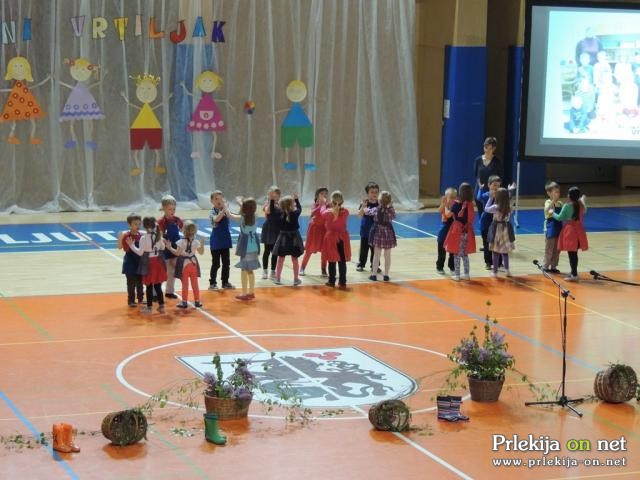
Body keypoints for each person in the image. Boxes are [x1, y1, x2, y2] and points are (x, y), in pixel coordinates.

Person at [126, 217, 167, 314]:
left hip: (149, 263)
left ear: (144, 227)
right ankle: (161, 307)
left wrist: (131, 245)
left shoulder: (143, 238)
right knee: (158, 286)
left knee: (149, 286)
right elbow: (163, 247)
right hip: (158, 263)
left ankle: (149, 308)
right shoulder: (158, 236)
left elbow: (140, 253)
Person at [550, 187, 588, 282]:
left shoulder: (567, 206)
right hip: (579, 231)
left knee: (572, 254)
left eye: (568, 193)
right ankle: (573, 272)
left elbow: (560, 217)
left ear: (570, 196)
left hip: (570, 232)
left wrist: (552, 213)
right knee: (574, 254)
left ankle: (574, 274)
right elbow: (584, 209)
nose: (567, 195)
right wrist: (583, 200)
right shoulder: (580, 205)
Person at [165, 221, 205, 309]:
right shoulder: (196, 242)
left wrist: (169, 247)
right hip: (193, 264)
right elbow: (201, 252)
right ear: (195, 231)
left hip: (184, 265)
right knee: (195, 283)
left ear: (184, 231)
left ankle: (184, 302)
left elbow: (177, 253)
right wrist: (202, 244)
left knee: (185, 284)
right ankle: (197, 301)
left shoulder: (181, 242)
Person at [444, 183, 476, 281]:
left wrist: (446, 206)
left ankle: (457, 275)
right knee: (465, 254)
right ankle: (466, 274)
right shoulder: (470, 205)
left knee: (456, 254)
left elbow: (448, 215)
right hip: (467, 231)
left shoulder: (456, 204)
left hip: (457, 231)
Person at [272, 194, 304, 286]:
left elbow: (273, 211)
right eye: (293, 203)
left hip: (283, 239)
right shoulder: (295, 213)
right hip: (294, 239)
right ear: (290, 205)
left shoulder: (279, 214)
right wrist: (297, 200)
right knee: (295, 259)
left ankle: (277, 278)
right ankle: (296, 279)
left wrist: (272, 201)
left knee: (281, 258)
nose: (294, 204)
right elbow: (299, 209)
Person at [321, 191, 351, 287]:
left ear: (332, 201)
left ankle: (331, 281)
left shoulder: (327, 213)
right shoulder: (345, 212)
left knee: (332, 260)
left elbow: (322, 212)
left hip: (331, 239)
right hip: (342, 238)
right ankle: (342, 281)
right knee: (342, 260)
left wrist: (324, 204)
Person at [234, 198, 261, 300]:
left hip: (245, 248)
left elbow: (230, 215)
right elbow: (248, 210)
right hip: (254, 246)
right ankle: (251, 292)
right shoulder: (255, 216)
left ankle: (244, 293)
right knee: (250, 270)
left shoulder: (242, 218)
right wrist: (241, 203)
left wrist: (225, 207)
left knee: (244, 270)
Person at [485, 188, 516, 277]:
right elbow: (507, 198)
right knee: (505, 252)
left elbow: (486, 209)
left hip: (497, 230)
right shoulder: (509, 207)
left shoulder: (495, 207)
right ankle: (507, 270)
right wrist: (509, 192)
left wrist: (490, 198)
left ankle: (495, 272)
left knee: (495, 252)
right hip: (506, 230)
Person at [158, 195, 183, 300]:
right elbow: (158, 236)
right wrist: (164, 242)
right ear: (164, 208)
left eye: (174, 209)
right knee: (162, 273)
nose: (172, 211)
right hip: (165, 250)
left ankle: (169, 291)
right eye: (170, 209)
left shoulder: (178, 220)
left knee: (172, 272)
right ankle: (155, 292)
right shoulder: (160, 222)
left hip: (175, 249)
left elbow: (183, 231)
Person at [208, 191, 235, 290]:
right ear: (212, 201)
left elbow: (232, 216)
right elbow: (216, 219)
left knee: (226, 263)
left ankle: (225, 282)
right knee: (216, 264)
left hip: (225, 240)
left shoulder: (226, 210)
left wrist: (243, 214)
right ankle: (212, 283)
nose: (219, 201)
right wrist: (223, 210)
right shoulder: (212, 212)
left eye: (220, 198)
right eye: (216, 199)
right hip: (216, 242)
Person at [368, 191, 397, 282]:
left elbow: (368, 212)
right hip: (388, 233)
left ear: (379, 200)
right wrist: (391, 206)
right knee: (387, 255)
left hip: (378, 233)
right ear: (389, 201)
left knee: (376, 255)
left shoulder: (376, 209)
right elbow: (394, 216)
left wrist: (364, 206)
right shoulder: (391, 211)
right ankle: (386, 275)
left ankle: (374, 275)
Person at [300, 187, 328, 276]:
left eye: (325, 194)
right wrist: (321, 205)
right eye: (322, 194)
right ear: (317, 195)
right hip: (314, 229)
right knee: (309, 250)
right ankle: (302, 268)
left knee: (324, 251)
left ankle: (323, 269)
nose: (324, 195)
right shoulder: (315, 205)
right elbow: (314, 212)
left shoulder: (328, 205)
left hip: (324, 229)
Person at [118, 213, 144, 307]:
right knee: (131, 284)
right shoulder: (126, 236)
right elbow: (121, 247)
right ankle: (131, 301)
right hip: (129, 263)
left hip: (139, 263)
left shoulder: (142, 236)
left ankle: (141, 299)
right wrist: (120, 238)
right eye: (135, 224)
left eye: (139, 224)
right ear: (129, 225)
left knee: (140, 283)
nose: (138, 226)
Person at [477, 175, 502, 270]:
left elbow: (508, 197)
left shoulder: (501, 195)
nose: (496, 187)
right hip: (486, 222)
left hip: (497, 222)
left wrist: (511, 190)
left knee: (497, 243)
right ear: (489, 185)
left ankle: (499, 262)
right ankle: (488, 262)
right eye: (494, 185)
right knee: (486, 243)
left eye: (498, 185)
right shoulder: (486, 195)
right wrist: (480, 189)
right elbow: (479, 197)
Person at [473, 137, 502, 215]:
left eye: (489, 148)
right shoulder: (478, 160)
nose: (486, 150)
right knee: (481, 215)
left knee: (491, 217)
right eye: (485, 147)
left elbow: (500, 177)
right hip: (480, 193)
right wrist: (480, 187)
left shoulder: (497, 161)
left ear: (494, 149)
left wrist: (495, 191)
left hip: (492, 193)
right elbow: (476, 175)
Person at [356, 182, 379, 272]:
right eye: (372, 192)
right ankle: (361, 264)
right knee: (364, 249)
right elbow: (359, 215)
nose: (374, 194)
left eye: (376, 192)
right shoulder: (365, 203)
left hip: (376, 232)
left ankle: (375, 265)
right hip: (365, 231)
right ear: (367, 193)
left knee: (375, 250)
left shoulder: (380, 204)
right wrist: (363, 207)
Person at [261, 185, 281, 280]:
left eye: (276, 196)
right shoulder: (267, 203)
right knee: (267, 250)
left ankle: (273, 271)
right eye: (272, 195)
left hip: (277, 229)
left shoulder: (280, 204)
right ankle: (265, 271)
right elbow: (268, 211)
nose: (275, 197)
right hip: (268, 229)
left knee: (275, 251)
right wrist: (270, 201)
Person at [542, 181, 562, 274]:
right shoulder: (548, 202)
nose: (557, 194)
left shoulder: (560, 203)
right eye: (555, 192)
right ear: (549, 193)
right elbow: (547, 210)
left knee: (557, 249)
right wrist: (553, 201)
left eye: (558, 192)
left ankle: (554, 266)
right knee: (549, 248)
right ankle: (545, 266)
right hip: (550, 228)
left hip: (559, 227)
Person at [436, 188, 456, 275]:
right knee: (441, 247)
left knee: (453, 250)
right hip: (445, 227)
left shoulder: (456, 206)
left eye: (454, 197)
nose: (453, 199)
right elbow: (440, 211)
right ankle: (439, 267)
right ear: (446, 197)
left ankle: (452, 267)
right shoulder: (444, 205)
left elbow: (449, 215)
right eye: (451, 197)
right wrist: (443, 204)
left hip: (454, 229)